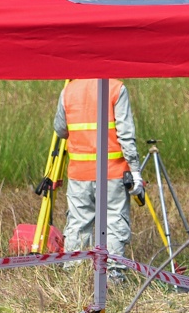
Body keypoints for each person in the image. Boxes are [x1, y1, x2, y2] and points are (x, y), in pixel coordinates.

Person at [39, 78, 143, 267]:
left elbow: (60, 130)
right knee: (113, 224)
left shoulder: (69, 90)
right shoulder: (115, 88)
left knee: (78, 224)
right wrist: (135, 171)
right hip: (113, 172)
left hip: (79, 174)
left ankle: (74, 276)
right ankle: (112, 275)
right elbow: (126, 135)